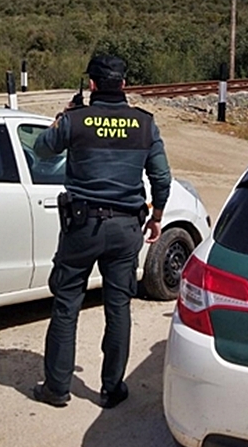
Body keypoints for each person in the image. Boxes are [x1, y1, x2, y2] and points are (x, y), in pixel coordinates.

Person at [31, 54, 172, 409]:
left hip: (82, 227)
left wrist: (60, 120)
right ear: (123, 85)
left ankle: (57, 389)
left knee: (66, 305)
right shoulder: (144, 124)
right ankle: (112, 388)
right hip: (126, 228)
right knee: (118, 306)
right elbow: (161, 178)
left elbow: (42, 150)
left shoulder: (75, 120)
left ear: (92, 85)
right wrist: (156, 215)